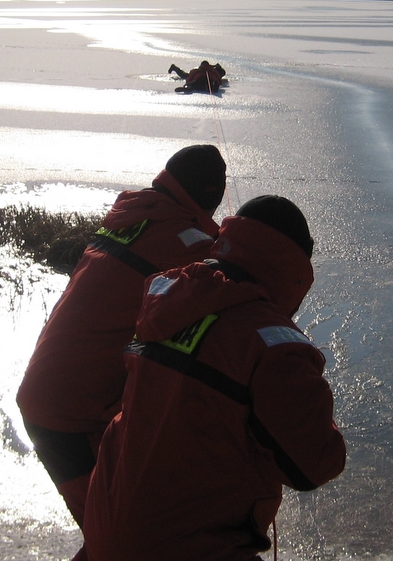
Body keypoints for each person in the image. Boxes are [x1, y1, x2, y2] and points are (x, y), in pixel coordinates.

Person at [82, 195, 347, 561]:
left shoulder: (166, 292)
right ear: (295, 268)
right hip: (188, 547)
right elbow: (314, 464)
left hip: (105, 533)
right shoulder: (275, 345)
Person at [16, 145, 227, 534]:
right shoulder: (188, 244)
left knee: (118, 533)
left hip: (46, 395)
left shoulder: (132, 215)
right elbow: (223, 284)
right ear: (209, 197)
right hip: (70, 414)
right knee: (122, 539)